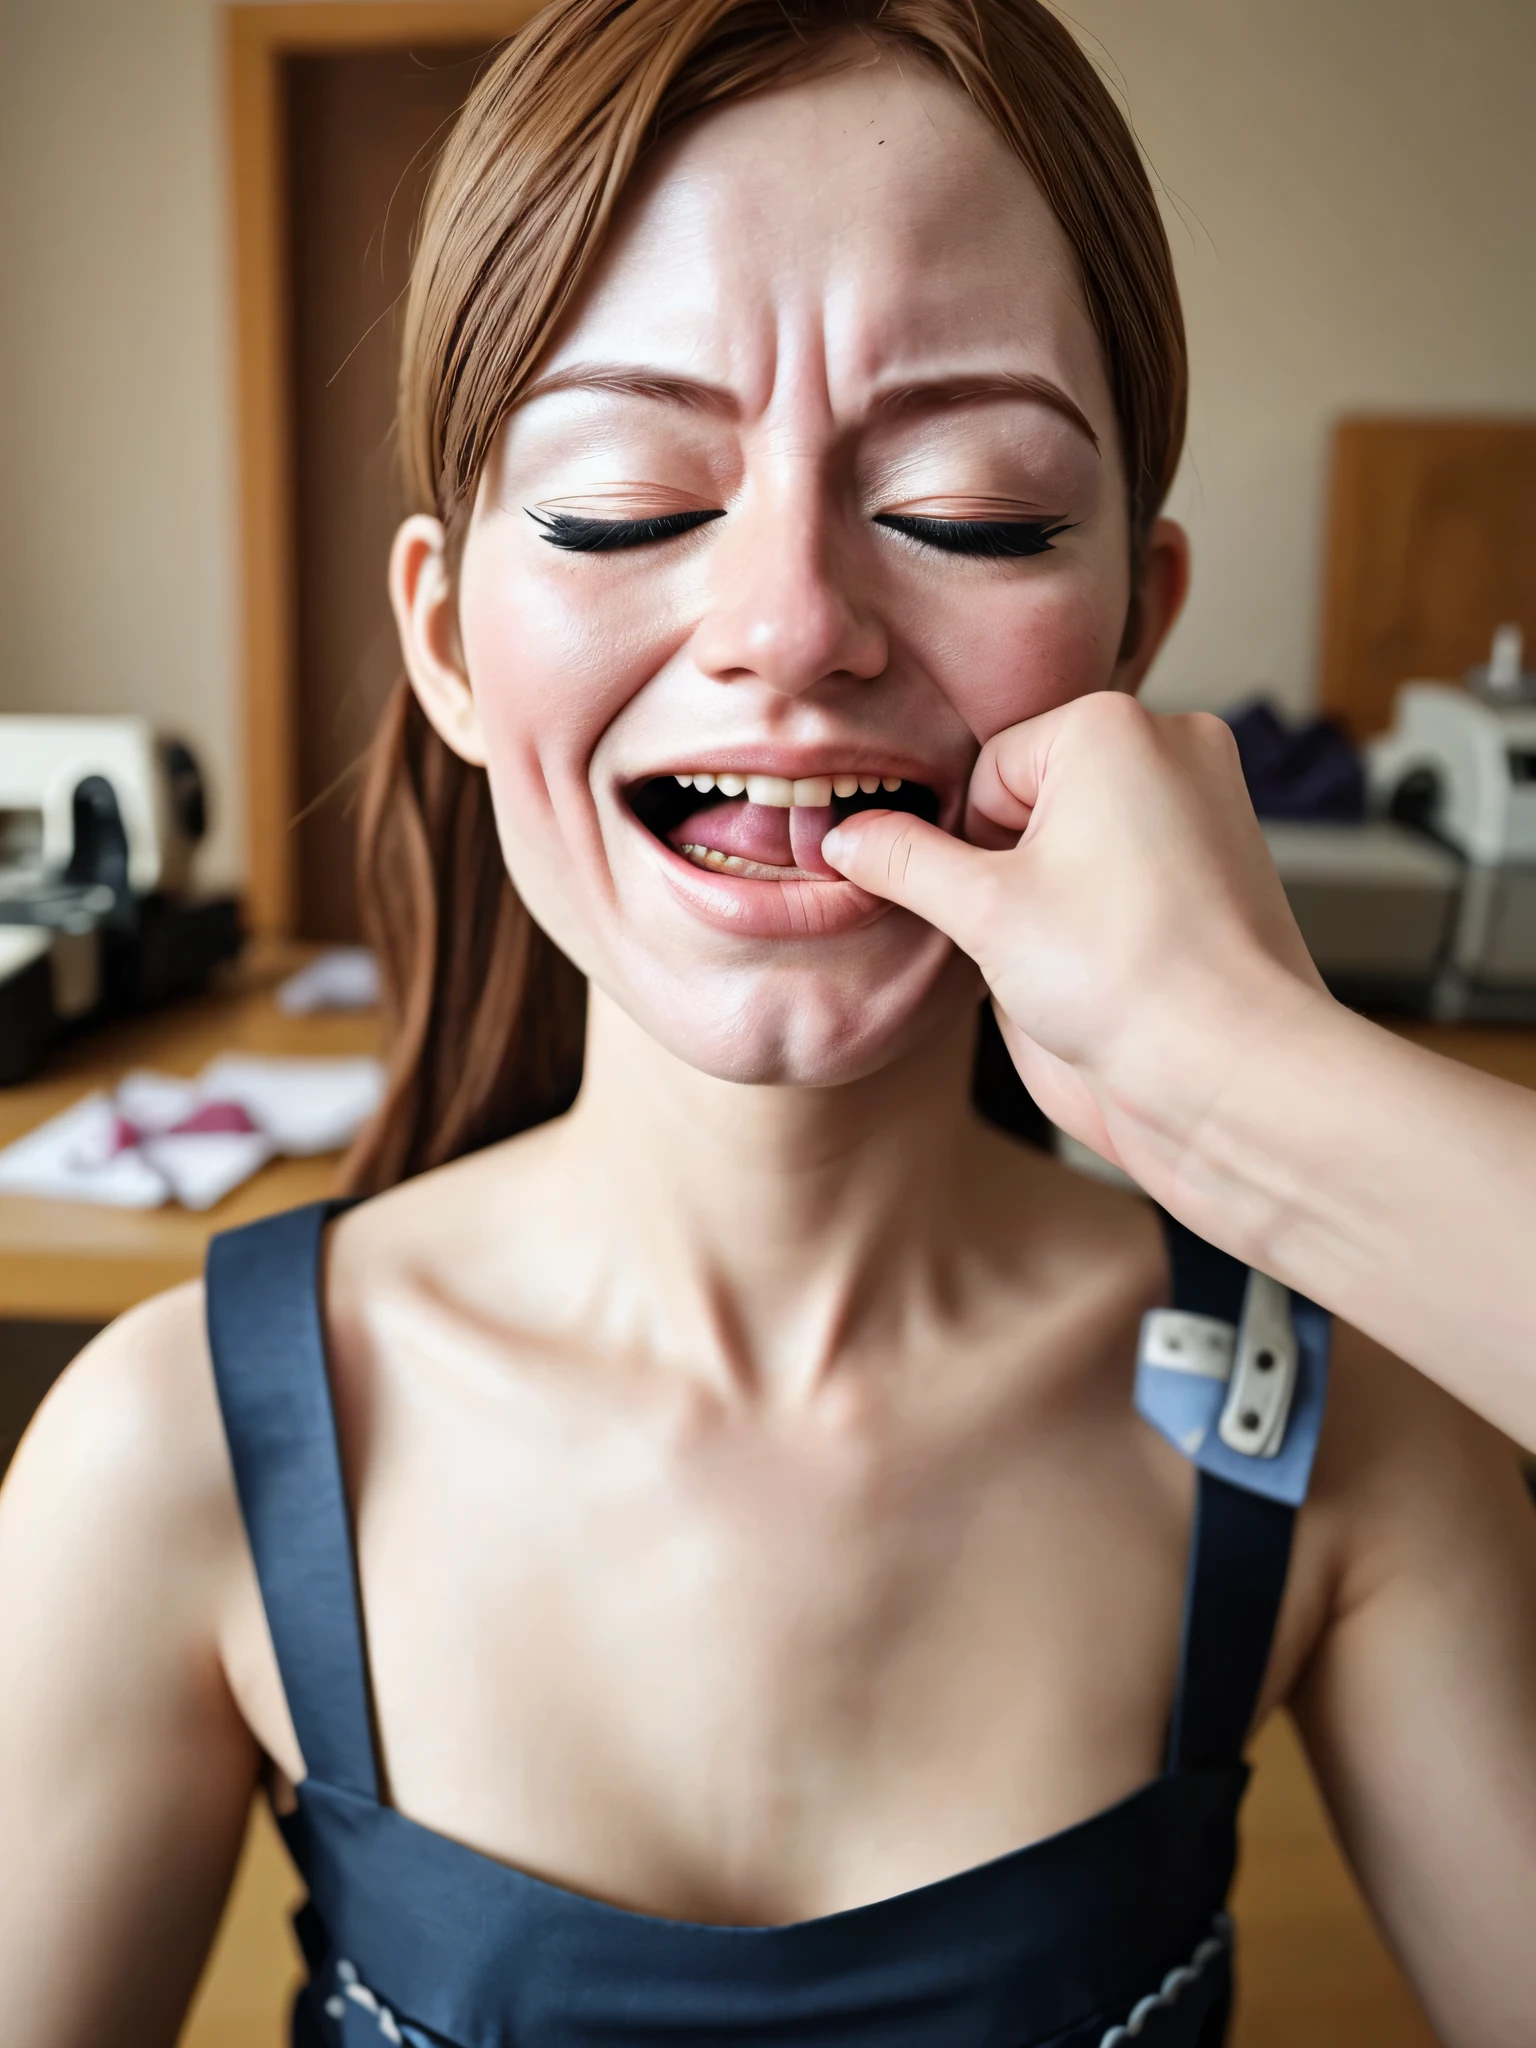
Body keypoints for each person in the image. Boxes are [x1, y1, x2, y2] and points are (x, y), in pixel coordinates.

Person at [2, 2, 1534, 2044]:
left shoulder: (1355, 1429)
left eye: (976, 507)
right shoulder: (165, 1451)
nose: (796, 624)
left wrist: (1270, 1088)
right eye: (632, 498)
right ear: (447, 638)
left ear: (1136, 626)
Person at [824, 694, 1536, 1455]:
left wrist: (1236, 1074)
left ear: (1139, 625)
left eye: (972, 559)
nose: (790, 636)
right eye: (672, 559)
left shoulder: (1374, 1432)